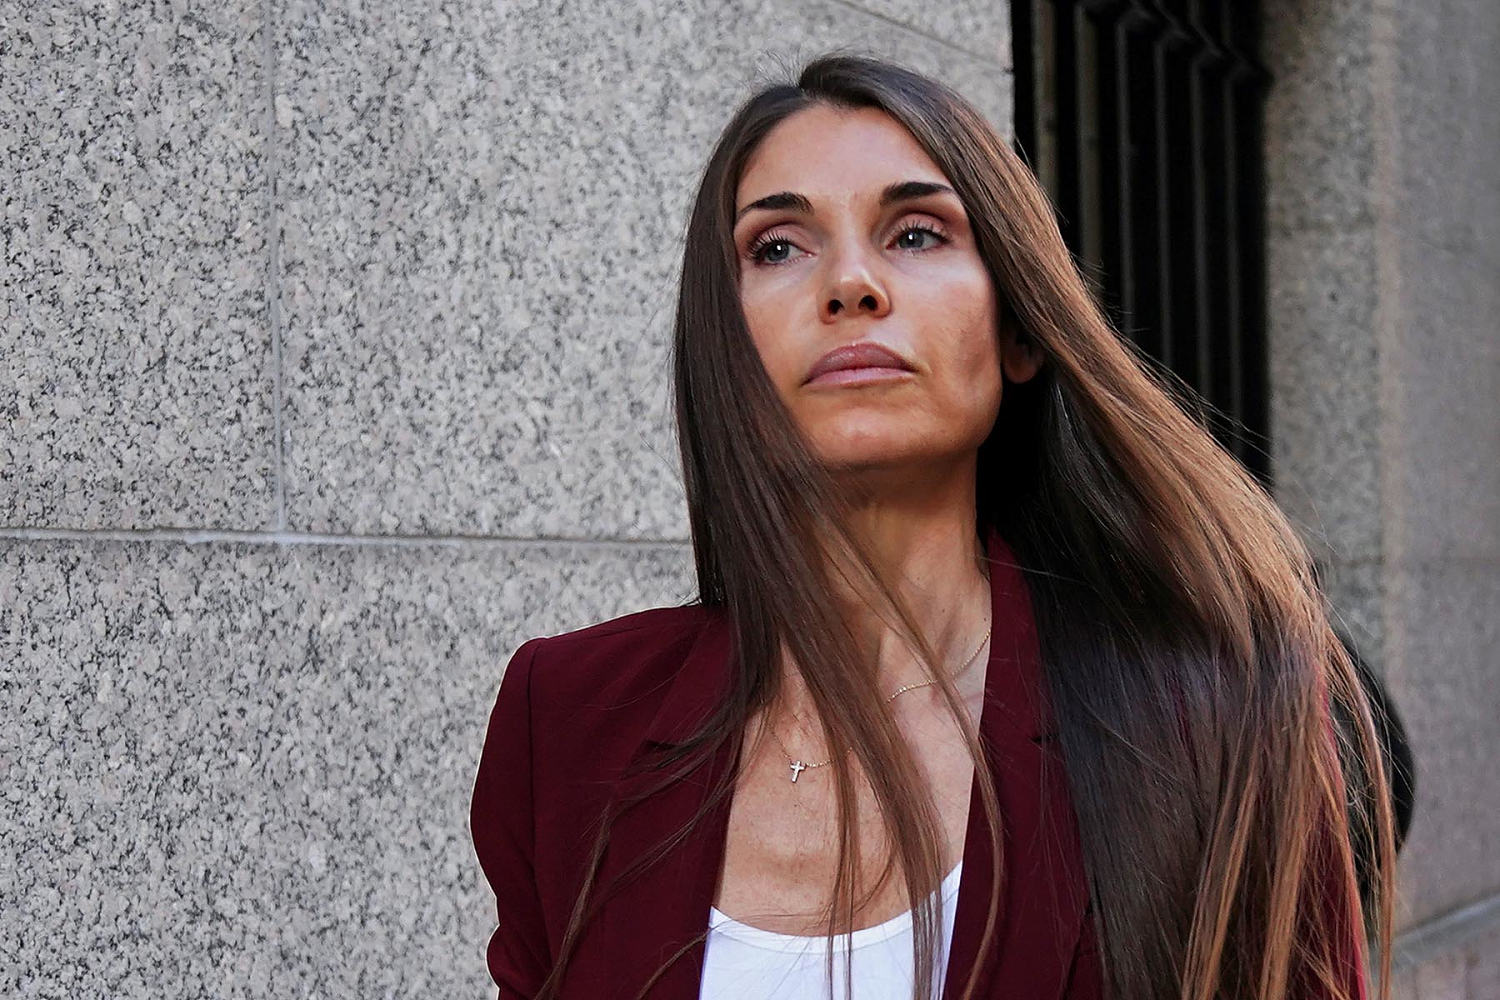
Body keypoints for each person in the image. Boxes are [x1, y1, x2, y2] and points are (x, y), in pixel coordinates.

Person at [470, 53, 1397, 1000]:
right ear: (724, 348)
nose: (851, 283)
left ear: (1021, 330)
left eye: (916, 233)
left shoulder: (1218, 712)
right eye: (778, 247)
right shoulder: (569, 719)